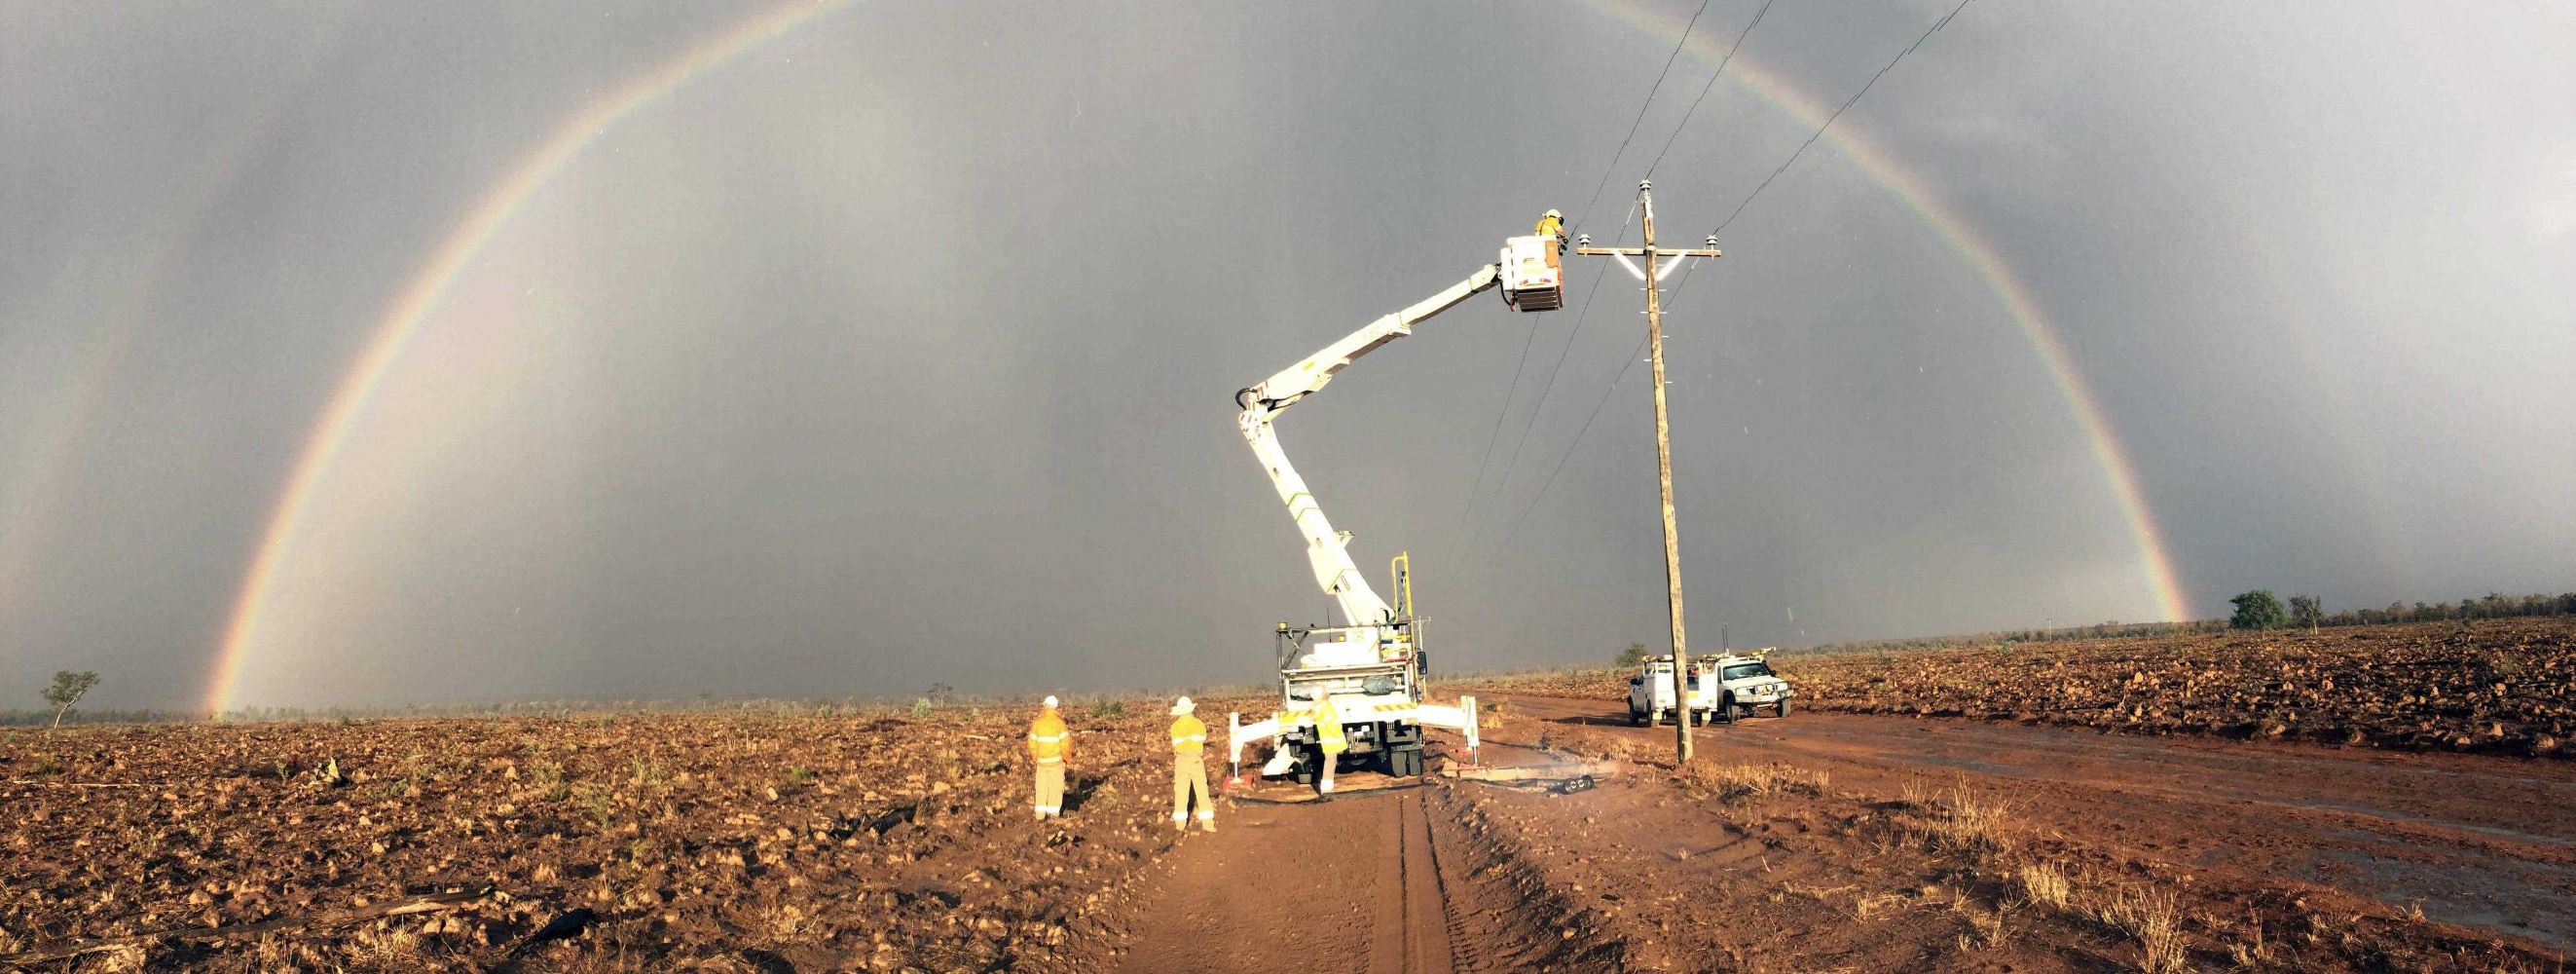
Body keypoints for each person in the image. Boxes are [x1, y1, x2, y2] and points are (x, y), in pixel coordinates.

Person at [1168, 696, 1214, 833]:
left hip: (1181, 760)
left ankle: (1180, 824)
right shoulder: (1199, 724)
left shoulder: (1175, 726)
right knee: (1201, 791)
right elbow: (1203, 738)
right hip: (1195, 759)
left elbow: (1175, 743)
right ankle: (1208, 824)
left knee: (1181, 792)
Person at [1026, 695, 1070, 820]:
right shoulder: (1060, 724)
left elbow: (1031, 744)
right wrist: (1065, 759)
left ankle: (1040, 816)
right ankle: (1053, 816)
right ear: (1056, 708)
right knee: (1055, 789)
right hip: (1056, 763)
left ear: (1045, 706)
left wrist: (1035, 757)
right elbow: (1066, 746)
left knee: (1041, 788)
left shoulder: (1038, 724)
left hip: (1042, 763)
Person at [1312, 690, 1345, 796]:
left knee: (1330, 762)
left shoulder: (1321, 708)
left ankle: (1326, 788)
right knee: (1330, 763)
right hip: (1331, 739)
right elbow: (1331, 725)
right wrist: (1339, 735)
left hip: (1327, 739)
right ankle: (1326, 790)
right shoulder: (1327, 708)